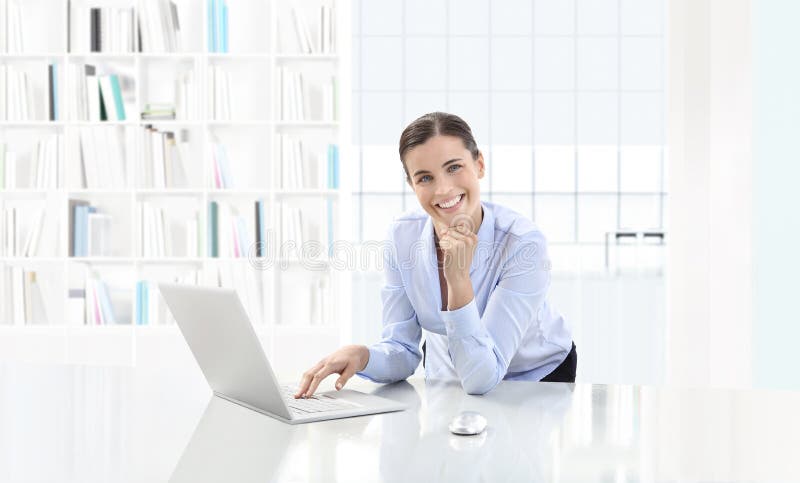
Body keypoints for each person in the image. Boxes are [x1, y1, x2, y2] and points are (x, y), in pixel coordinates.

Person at [294, 112, 575, 398]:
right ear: (412, 185)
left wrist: (458, 280)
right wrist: (362, 356)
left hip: (537, 373)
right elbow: (402, 350)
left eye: (454, 167)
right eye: (425, 177)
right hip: (454, 372)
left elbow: (482, 378)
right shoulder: (403, 237)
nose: (443, 189)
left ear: (479, 164)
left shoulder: (522, 243)